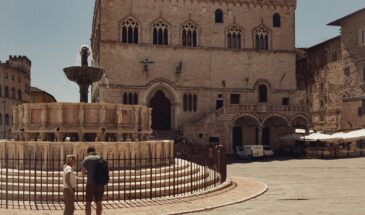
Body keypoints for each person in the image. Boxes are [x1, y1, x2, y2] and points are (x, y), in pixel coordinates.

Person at [82, 147, 104, 215]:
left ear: (88, 152)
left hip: (90, 183)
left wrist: (87, 173)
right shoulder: (100, 158)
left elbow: (83, 173)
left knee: (88, 203)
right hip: (100, 183)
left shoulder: (86, 159)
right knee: (99, 203)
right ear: (95, 151)